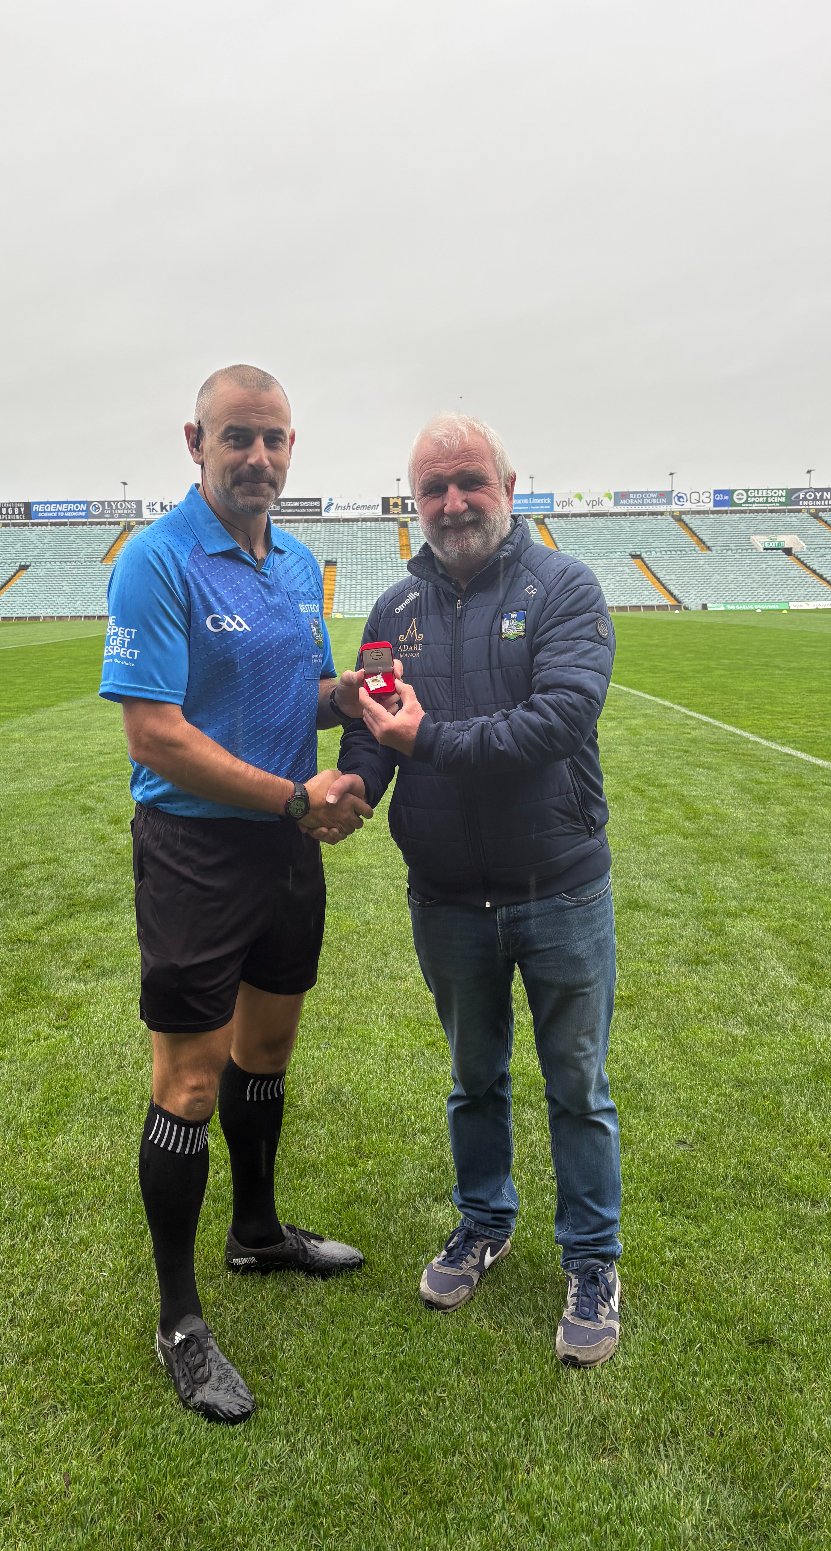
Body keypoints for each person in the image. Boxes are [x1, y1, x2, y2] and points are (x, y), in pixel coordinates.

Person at [100, 364, 375, 1423]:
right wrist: (291, 798)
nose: (257, 457)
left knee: (267, 1053)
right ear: (195, 441)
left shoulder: (298, 559)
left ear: (292, 447)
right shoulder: (159, 561)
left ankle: (257, 1233)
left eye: (275, 440)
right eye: (237, 439)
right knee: (190, 1084)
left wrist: (340, 694)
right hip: (197, 852)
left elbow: (290, 693)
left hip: (283, 842)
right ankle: (179, 1320)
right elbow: (156, 733)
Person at [337, 414, 622, 1367]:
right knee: (473, 1080)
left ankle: (590, 1258)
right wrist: (350, 792)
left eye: (469, 482)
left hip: (558, 888)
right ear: (413, 504)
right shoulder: (392, 611)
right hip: (448, 895)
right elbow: (372, 732)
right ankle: (482, 1222)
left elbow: (556, 719)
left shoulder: (563, 587)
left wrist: (424, 744)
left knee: (576, 1085)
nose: (452, 503)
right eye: (432, 489)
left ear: (508, 483)